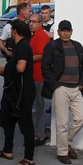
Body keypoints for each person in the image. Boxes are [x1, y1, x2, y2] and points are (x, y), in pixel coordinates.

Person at [41, 20, 83, 165]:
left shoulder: (78, 46)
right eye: (63, 30)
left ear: (71, 32)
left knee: (81, 118)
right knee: (62, 123)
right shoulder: (52, 46)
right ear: (58, 32)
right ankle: (62, 153)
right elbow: (45, 66)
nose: (66, 33)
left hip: (76, 89)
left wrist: (82, 83)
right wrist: (55, 85)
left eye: (68, 30)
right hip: (61, 88)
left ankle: (66, 142)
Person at [0, 20, 35, 165]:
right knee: (7, 120)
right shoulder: (19, 46)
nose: (10, 32)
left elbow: (21, 67)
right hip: (13, 91)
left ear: (16, 31)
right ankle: (7, 150)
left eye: (11, 29)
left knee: (25, 123)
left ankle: (29, 157)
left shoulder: (23, 46)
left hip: (22, 92)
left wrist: (5, 71)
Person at [28, 13, 50, 145]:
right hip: (35, 75)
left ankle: (40, 134)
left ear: (40, 23)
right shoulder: (36, 35)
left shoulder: (41, 36)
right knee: (36, 105)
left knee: (38, 106)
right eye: (30, 21)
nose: (31, 24)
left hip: (39, 76)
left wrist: (26, 59)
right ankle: (39, 132)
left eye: (34, 22)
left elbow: (42, 55)